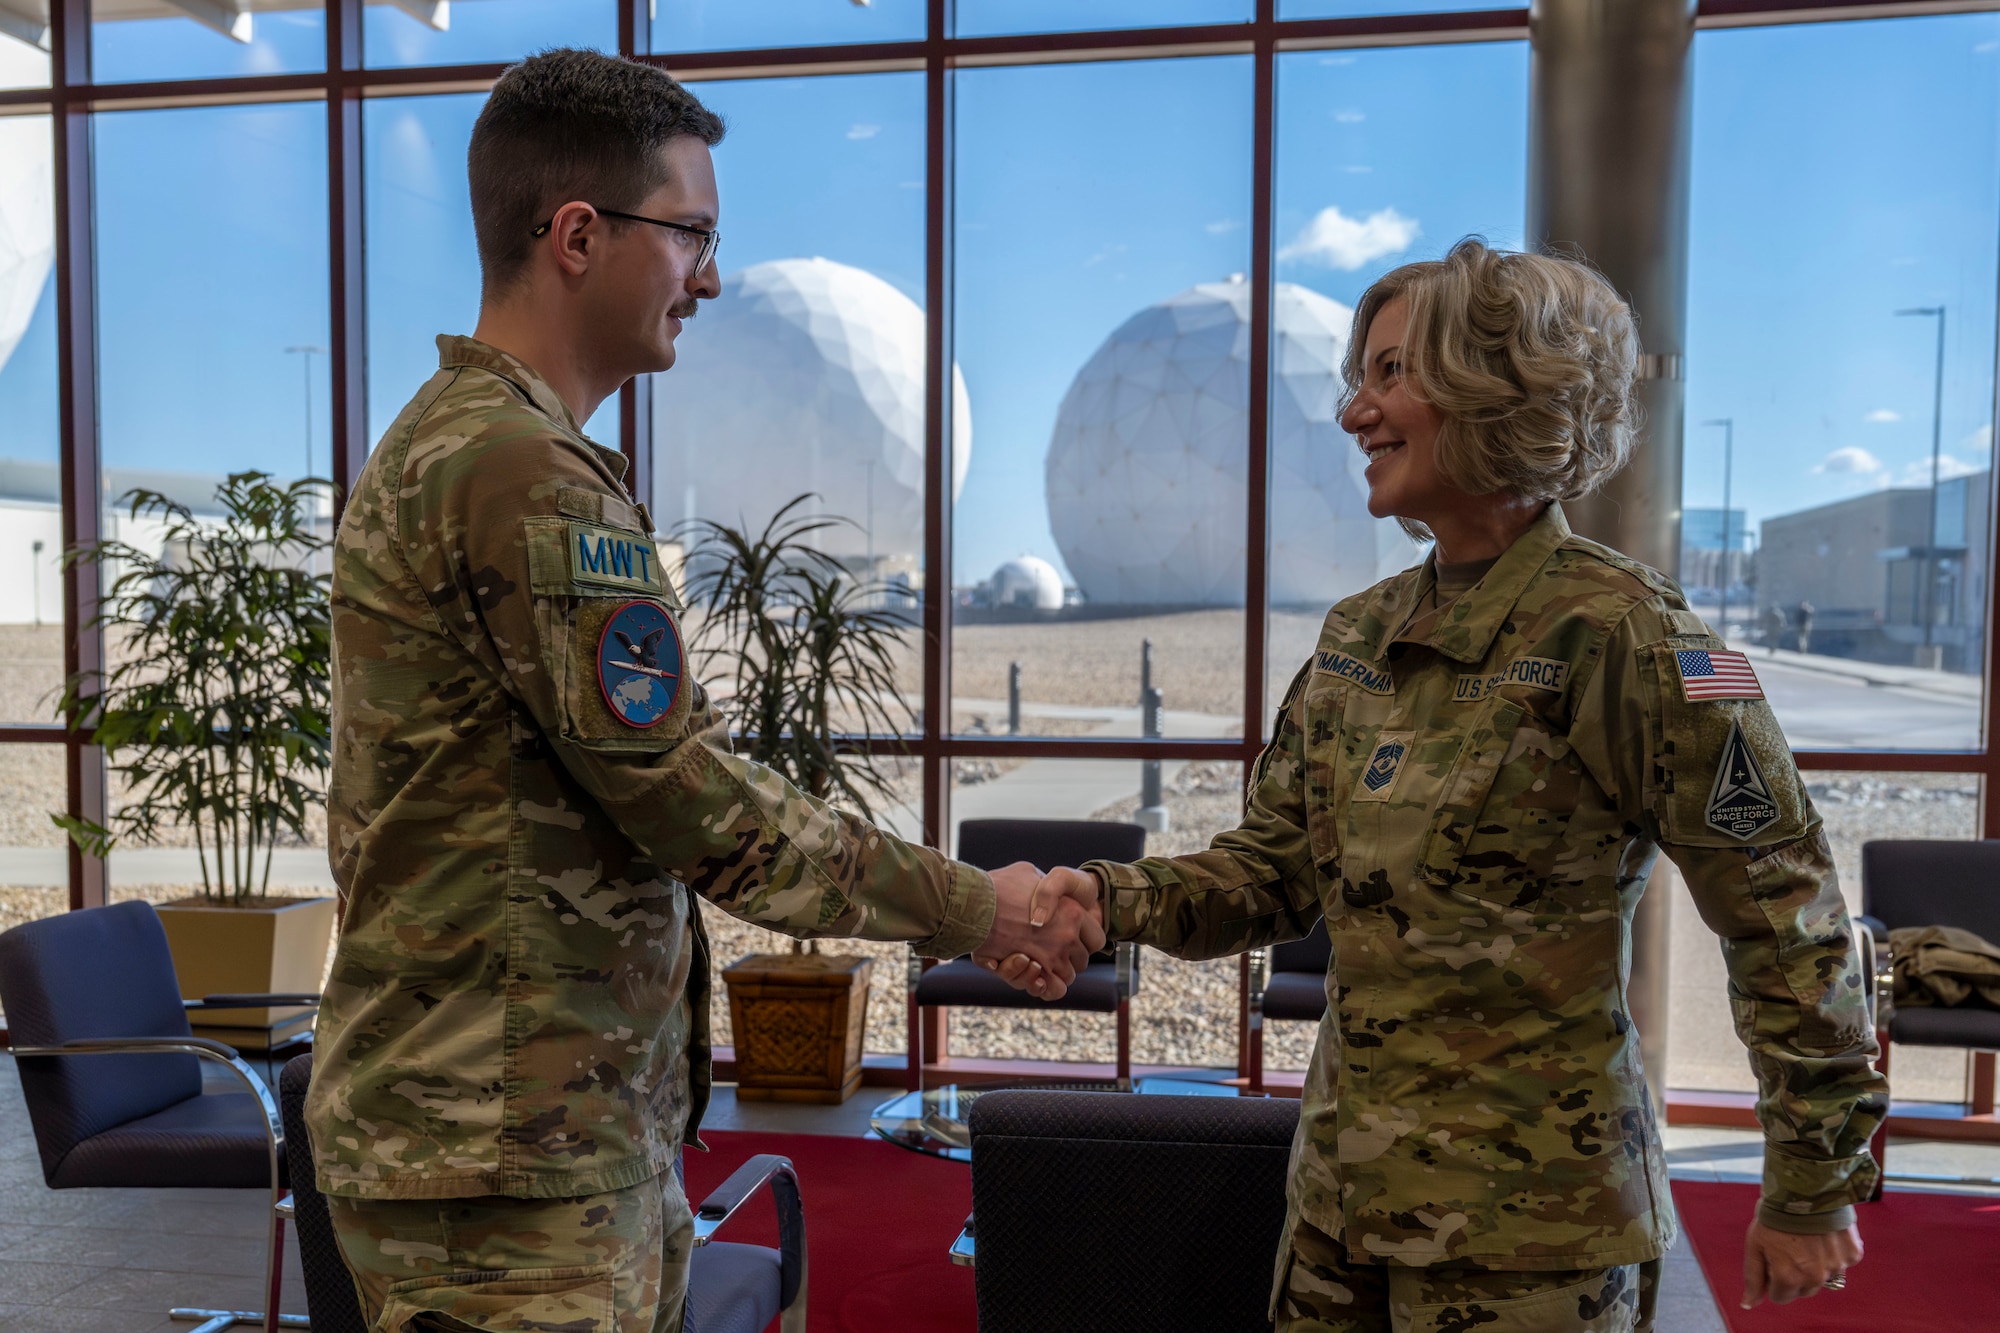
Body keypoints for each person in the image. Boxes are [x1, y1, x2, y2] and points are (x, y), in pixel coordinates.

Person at [304, 50, 1097, 1333]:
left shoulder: (489, 446)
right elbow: (688, 797)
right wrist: (974, 903)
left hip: (530, 1125)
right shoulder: (520, 470)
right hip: (504, 1153)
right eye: (691, 236)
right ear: (575, 236)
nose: (712, 278)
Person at [1017, 240, 1885, 1332]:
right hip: (1339, 1211)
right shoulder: (1357, 635)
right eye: (1356, 377)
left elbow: (1787, 918)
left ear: (1494, 387)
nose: (1352, 412)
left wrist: (1812, 1180)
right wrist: (1102, 902)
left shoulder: (1627, 635)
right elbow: (1271, 874)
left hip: (1528, 1241)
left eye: (1389, 374)